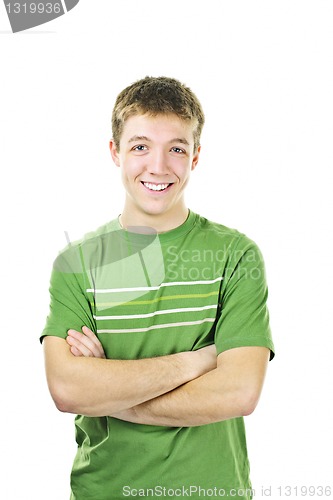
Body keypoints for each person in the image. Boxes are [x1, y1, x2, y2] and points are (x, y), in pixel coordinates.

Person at [41, 76, 275, 500]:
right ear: (115, 151)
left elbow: (239, 391)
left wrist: (110, 395)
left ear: (196, 156)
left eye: (177, 149)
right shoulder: (77, 264)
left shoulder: (237, 256)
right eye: (140, 146)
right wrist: (199, 361)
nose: (158, 166)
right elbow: (68, 390)